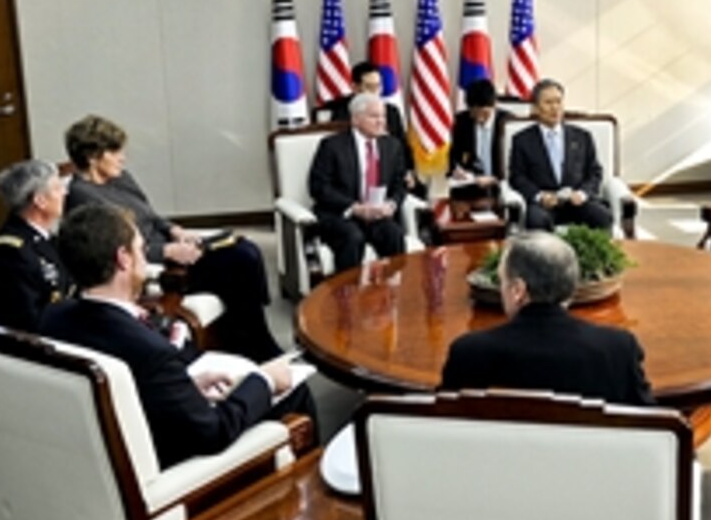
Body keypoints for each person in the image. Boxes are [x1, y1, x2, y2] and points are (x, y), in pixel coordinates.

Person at [40, 205, 319, 469]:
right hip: (171, 465)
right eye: (141, 248)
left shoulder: (54, 318)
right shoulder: (150, 351)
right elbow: (213, 432)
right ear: (123, 259)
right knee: (295, 392)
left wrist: (184, 387)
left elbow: (129, 390)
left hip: (110, 447)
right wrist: (265, 380)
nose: (146, 256)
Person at [63, 114, 282, 362]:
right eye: (114, 151)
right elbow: (112, 250)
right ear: (92, 157)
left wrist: (175, 230)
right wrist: (166, 251)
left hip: (169, 245)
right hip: (156, 264)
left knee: (243, 247)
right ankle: (254, 343)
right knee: (240, 261)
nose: (122, 157)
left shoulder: (121, 178)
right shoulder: (82, 198)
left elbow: (150, 215)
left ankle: (251, 336)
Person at [440, 231, 654, 405]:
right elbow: (655, 430)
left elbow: (440, 428)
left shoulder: (469, 353)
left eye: (502, 280)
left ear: (518, 290)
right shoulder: (618, 349)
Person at [309, 93, 408, 273]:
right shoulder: (332, 146)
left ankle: (393, 290)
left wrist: (391, 204)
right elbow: (319, 187)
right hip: (342, 214)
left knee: (394, 234)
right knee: (353, 237)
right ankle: (349, 296)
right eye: (374, 116)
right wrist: (355, 208)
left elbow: (399, 184)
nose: (381, 122)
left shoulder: (392, 146)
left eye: (383, 116)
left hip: (377, 214)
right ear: (355, 119)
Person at [0, 160, 73, 331]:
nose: (65, 192)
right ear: (40, 201)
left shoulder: (49, 240)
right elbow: (28, 321)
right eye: (58, 188)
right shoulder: (9, 252)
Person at [508, 78, 612, 232]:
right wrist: (540, 196)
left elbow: (595, 172)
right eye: (548, 103)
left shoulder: (582, 137)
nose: (555, 108)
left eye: (558, 102)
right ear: (535, 108)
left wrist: (583, 194)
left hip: (577, 201)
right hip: (545, 204)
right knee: (535, 220)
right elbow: (517, 177)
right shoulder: (522, 140)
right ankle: (548, 257)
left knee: (602, 216)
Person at [325, 60, 426, 198]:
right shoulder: (340, 112)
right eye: (369, 87)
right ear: (355, 87)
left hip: (389, 171)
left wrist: (408, 171)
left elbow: (403, 147)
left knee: (419, 189)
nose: (375, 92)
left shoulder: (390, 112)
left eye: (378, 86)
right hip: (354, 174)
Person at [448, 78, 514, 182]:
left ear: (494, 105)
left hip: (501, 184)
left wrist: (494, 180)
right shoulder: (462, 121)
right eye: (474, 112)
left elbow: (517, 166)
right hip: (472, 185)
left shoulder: (509, 122)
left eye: (484, 112)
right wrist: (457, 169)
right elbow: (453, 155)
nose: (479, 118)